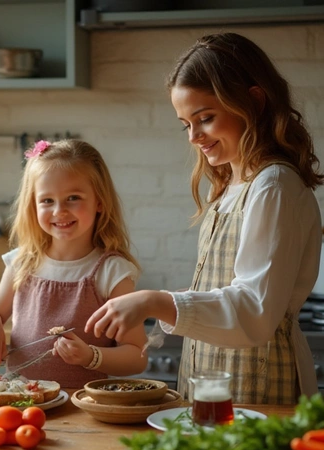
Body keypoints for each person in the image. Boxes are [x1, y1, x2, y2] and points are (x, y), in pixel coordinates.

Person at [85, 32, 323, 404]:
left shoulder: (273, 186)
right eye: (186, 124)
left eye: (205, 118)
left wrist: (153, 300)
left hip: (257, 385)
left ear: (254, 102)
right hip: (217, 384)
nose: (194, 136)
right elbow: (232, 287)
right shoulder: (233, 185)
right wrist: (179, 299)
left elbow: (255, 312)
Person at [0, 139, 148, 389]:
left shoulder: (113, 272)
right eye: (47, 201)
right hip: (22, 404)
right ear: (32, 205)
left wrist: (90, 356)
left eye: (73, 198)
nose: (59, 211)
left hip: (82, 411)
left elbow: (136, 356)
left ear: (99, 201)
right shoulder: (21, 262)